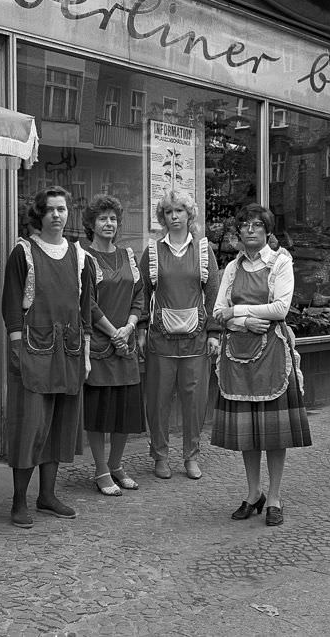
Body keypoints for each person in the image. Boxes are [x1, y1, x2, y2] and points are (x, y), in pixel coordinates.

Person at [211, 203, 311, 527]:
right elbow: (217, 311)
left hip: (272, 355)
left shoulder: (281, 262)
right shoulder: (230, 269)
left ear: (268, 232)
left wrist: (239, 313)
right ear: (238, 233)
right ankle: (254, 493)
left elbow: (281, 308)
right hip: (237, 354)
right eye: (245, 225)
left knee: (272, 433)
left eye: (257, 225)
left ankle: (276, 497)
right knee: (248, 432)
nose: (250, 230)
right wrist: (245, 320)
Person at [1, 186, 94, 528]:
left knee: (57, 426)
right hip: (33, 349)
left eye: (63, 209)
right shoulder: (23, 252)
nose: (57, 214)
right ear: (39, 215)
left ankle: (47, 496)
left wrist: (85, 353)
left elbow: (84, 309)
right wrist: (16, 348)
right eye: (51, 209)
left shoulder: (80, 255)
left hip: (67, 351)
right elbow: (11, 304)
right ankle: (18, 501)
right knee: (30, 426)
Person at [139, 189, 220, 481]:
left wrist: (213, 332)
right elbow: (142, 293)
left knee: (195, 401)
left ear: (190, 215)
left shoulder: (202, 249)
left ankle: (191, 456)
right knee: (158, 400)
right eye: (169, 212)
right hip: (160, 339)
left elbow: (213, 293)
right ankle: (160, 455)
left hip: (196, 340)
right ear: (162, 216)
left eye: (180, 211)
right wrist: (141, 329)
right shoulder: (152, 251)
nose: (174, 217)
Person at [80, 194, 145, 496]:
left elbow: (139, 296)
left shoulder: (128, 255)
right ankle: (101, 469)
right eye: (103, 218)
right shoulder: (83, 257)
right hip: (100, 346)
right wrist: (112, 332)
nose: (109, 223)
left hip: (126, 345)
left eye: (113, 219)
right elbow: (87, 302)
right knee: (99, 412)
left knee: (123, 411)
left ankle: (117, 464)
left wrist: (129, 328)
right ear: (91, 224)